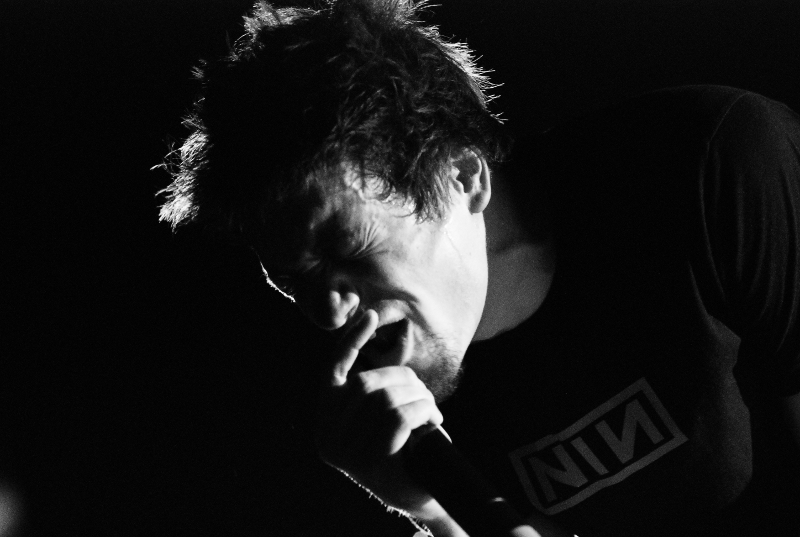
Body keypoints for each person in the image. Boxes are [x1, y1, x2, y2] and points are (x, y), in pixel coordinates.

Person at [158, 0, 800, 535]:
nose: (329, 313)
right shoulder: (382, 401)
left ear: (463, 177)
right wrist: (430, 505)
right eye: (295, 280)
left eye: (348, 250)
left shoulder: (712, 170)